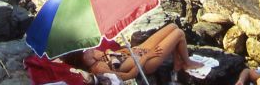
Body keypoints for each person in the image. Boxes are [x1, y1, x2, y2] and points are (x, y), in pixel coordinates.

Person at [74, 24, 202, 82]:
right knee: (179, 34)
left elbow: (117, 54)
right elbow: (129, 75)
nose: (90, 50)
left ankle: (178, 63)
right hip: (146, 63)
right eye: (87, 52)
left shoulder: (97, 56)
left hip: (136, 52)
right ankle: (187, 62)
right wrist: (146, 56)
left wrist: (132, 49)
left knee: (173, 26)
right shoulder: (99, 69)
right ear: (84, 61)